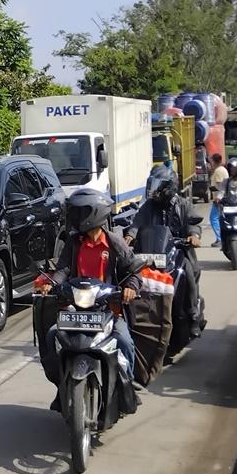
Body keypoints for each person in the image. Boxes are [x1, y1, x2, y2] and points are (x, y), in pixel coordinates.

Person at [38, 189, 140, 411]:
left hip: (108, 310)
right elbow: (63, 269)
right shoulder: (74, 242)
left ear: (93, 214)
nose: (73, 217)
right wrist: (52, 283)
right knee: (52, 335)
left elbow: (133, 271)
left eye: (78, 212)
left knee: (124, 340)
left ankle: (126, 384)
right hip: (76, 309)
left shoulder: (115, 243)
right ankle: (61, 385)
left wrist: (130, 287)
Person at [125, 171, 204, 349]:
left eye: (158, 187)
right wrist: (130, 236)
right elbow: (137, 223)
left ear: (169, 187)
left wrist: (193, 235)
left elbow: (193, 221)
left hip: (178, 250)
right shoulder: (149, 206)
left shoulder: (182, 204)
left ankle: (192, 315)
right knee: (129, 274)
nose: (155, 191)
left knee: (189, 272)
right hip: (152, 252)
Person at [209, 154, 229, 247]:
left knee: (213, 218)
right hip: (222, 198)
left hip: (219, 199)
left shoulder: (218, 171)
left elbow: (220, 186)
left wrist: (218, 197)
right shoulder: (222, 169)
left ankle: (220, 239)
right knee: (220, 218)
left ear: (213, 161)